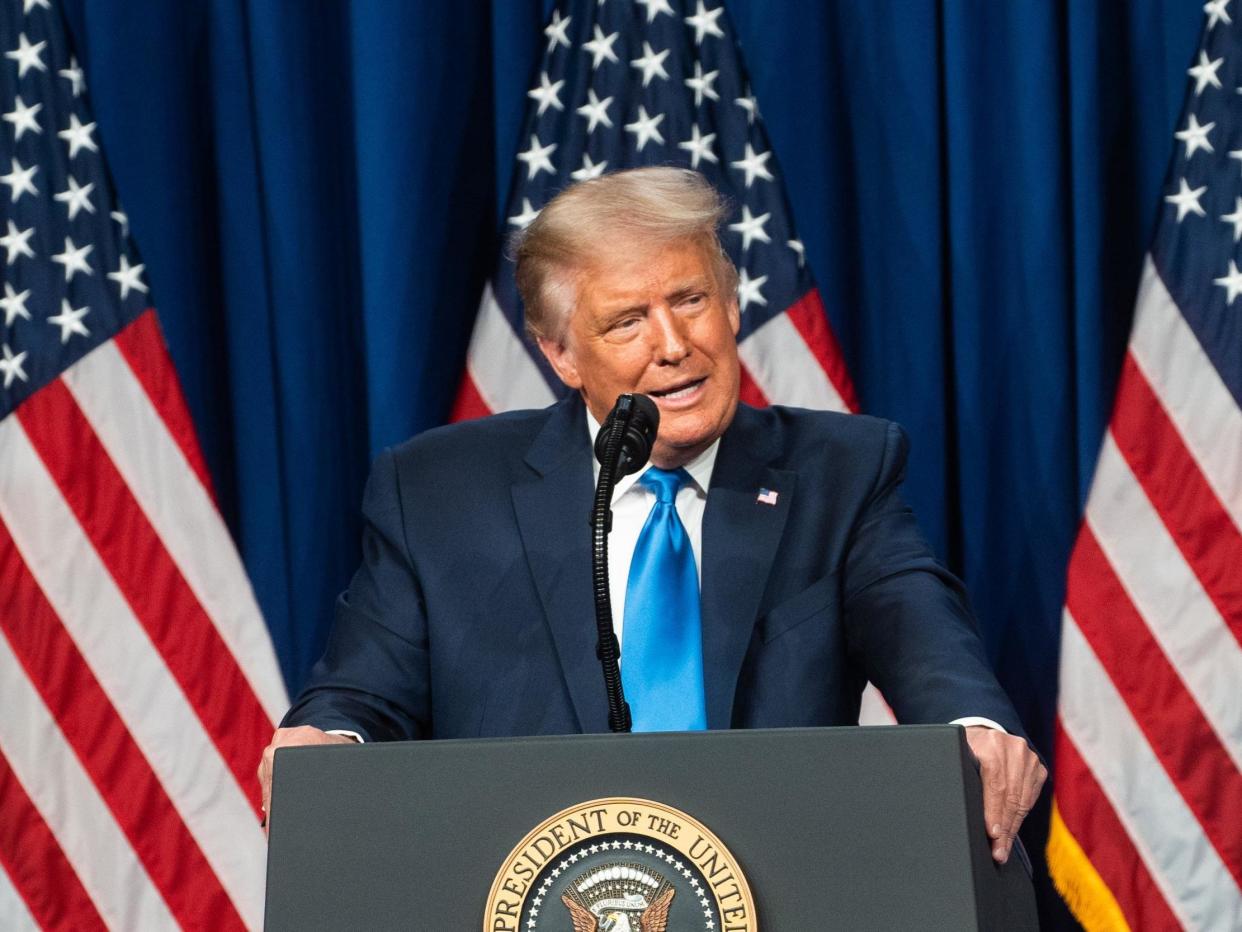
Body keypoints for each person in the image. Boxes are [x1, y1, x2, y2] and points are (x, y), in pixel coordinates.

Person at [259, 167, 1045, 864]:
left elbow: (924, 640)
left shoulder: (840, 472)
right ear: (561, 355)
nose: (672, 345)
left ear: (732, 308)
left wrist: (973, 727)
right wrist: (326, 740)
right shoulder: (437, 491)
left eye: (691, 300)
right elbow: (362, 693)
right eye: (626, 320)